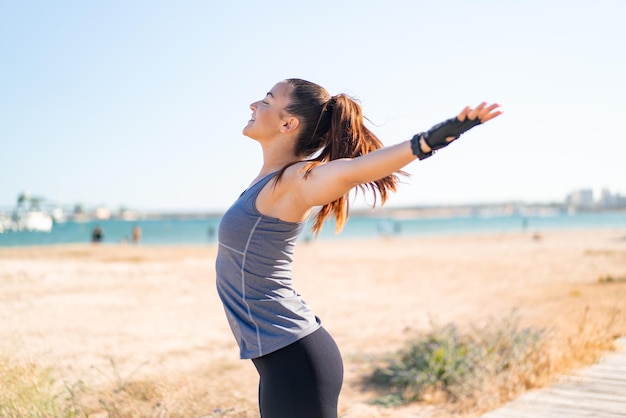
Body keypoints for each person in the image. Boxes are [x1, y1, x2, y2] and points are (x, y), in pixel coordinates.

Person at [215, 78, 501, 418]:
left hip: (293, 357)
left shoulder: (294, 182)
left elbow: (353, 171)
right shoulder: (268, 180)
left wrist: (430, 140)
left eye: (266, 99)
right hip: (278, 358)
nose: (253, 105)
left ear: (288, 123)